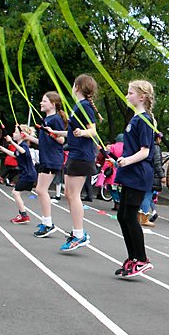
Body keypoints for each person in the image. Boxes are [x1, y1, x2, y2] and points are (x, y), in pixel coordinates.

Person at [51, 74, 101, 252]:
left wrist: (82, 133)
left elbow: (92, 131)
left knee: (73, 195)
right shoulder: (78, 106)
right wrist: (57, 132)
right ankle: (77, 232)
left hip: (82, 155)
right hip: (75, 153)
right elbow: (73, 132)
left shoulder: (85, 106)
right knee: (69, 195)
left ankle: (79, 234)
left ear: (77, 87)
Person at [114, 80, 156, 278]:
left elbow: (145, 151)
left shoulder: (144, 120)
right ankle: (133, 258)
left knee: (130, 216)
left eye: (130, 92)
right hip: (131, 172)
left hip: (139, 173)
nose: (127, 95)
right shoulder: (135, 119)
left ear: (142, 97)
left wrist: (127, 160)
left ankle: (142, 259)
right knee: (122, 216)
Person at [27, 92, 66, 238]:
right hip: (46, 158)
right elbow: (43, 142)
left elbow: (62, 140)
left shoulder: (55, 120)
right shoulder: (46, 119)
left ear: (53, 104)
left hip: (52, 159)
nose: (41, 103)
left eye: (44, 101)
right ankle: (46, 221)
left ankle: (48, 223)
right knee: (40, 190)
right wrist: (28, 137)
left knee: (41, 190)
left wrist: (53, 134)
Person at [0, 126, 37, 224]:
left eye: (16, 132)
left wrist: (11, 142)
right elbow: (15, 154)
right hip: (26, 174)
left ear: (22, 135)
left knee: (16, 193)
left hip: (28, 174)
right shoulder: (20, 146)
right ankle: (22, 214)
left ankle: (24, 215)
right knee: (17, 193)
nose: (13, 134)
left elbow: (24, 152)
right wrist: (2, 149)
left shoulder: (24, 145)